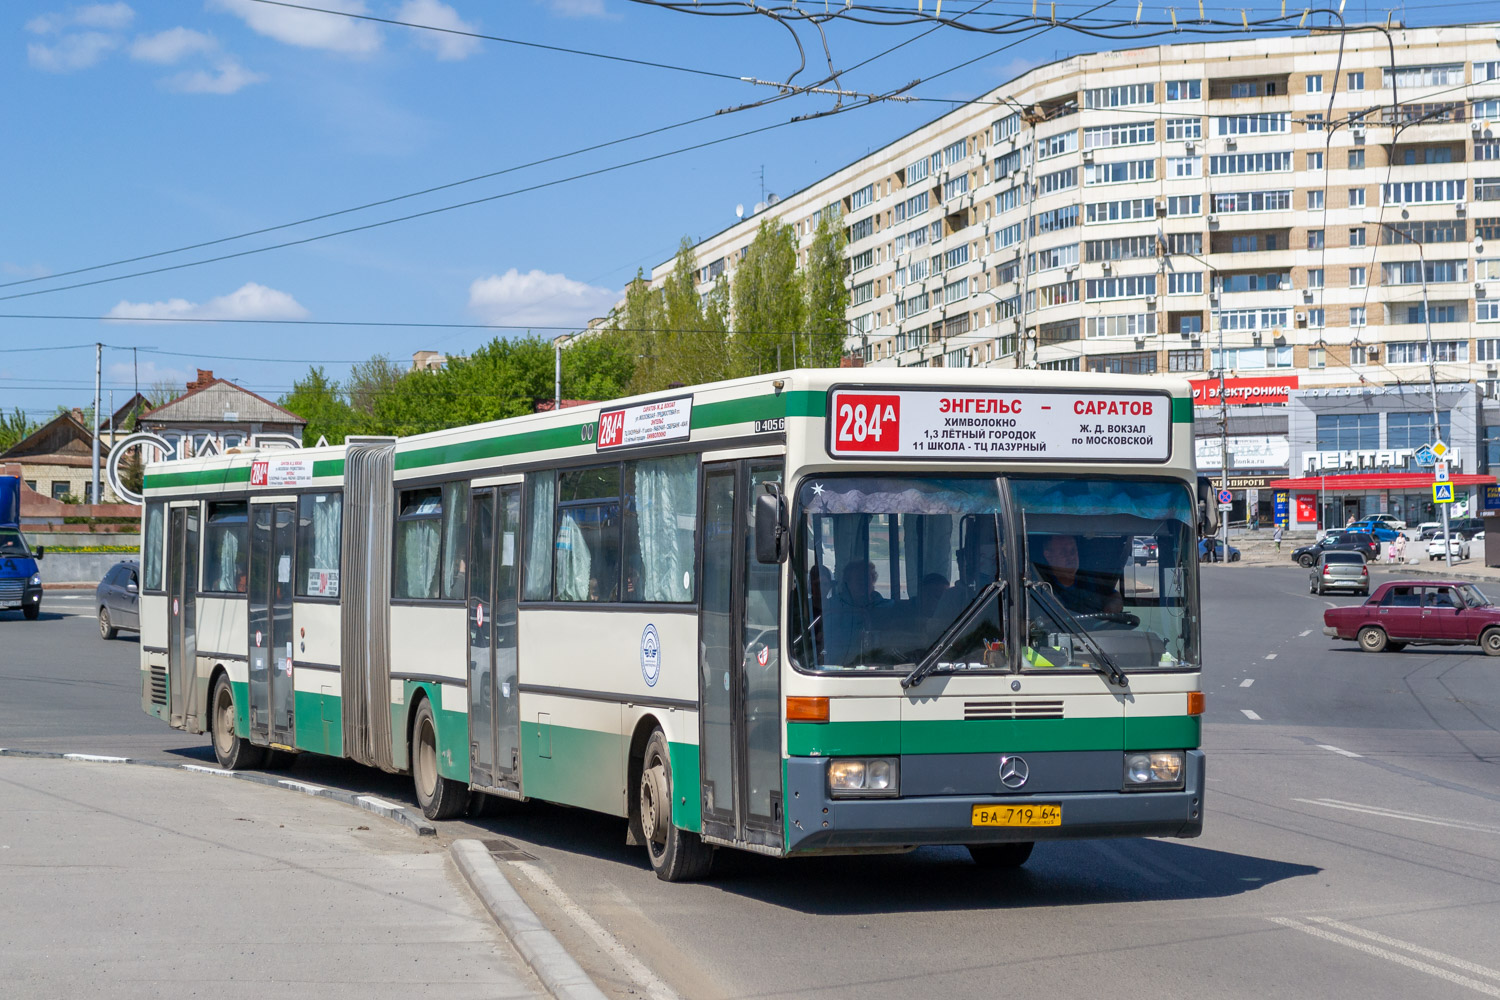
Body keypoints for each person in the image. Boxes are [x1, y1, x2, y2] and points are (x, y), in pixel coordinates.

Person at [1035, 534, 1123, 616]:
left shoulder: (1089, 580)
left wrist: (1112, 606)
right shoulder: (1040, 588)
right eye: (1063, 552)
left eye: (1073, 550)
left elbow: (1114, 596)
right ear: (1049, 556)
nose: (1071, 556)